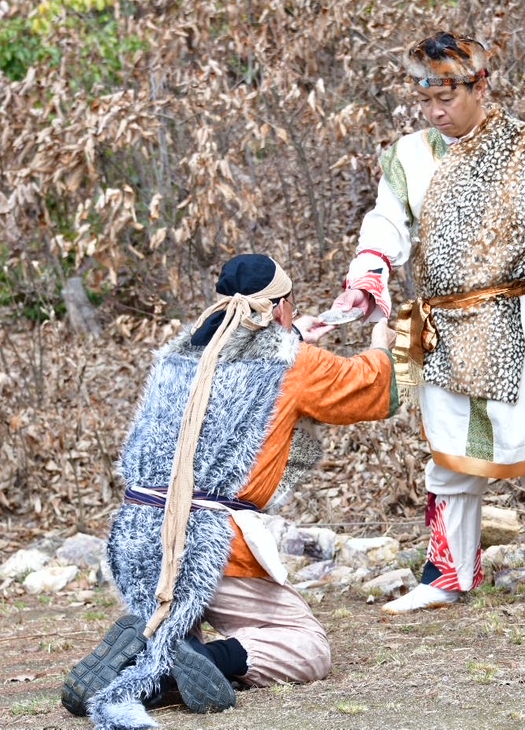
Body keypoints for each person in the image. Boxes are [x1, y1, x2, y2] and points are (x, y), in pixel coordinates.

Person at [328, 31, 525, 619]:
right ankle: (447, 574)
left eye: (447, 98)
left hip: (522, 317)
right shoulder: (408, 155)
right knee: (448, 455)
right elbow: (386, 223)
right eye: (426, 100)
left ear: (480, 87)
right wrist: (368, 274)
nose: (435, 112)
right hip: (437, 323)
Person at [62, 254, 396, 730]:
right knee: (307, 647)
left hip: (136, 542)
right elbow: (374, 390)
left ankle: (155, 653)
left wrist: (295, 336)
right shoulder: (293, 363)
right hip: (211, 545)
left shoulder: (180, 353)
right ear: (279, 308)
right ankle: (187, 661)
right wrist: (382, 342)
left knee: (182, 625)